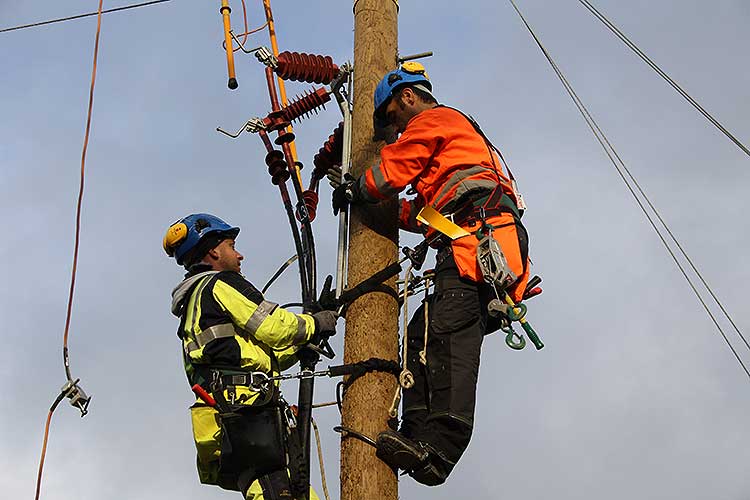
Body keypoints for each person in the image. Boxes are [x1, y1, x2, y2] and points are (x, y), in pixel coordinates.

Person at [331, 62, 532, 486]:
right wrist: (373, 200)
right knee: (421, 336)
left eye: (392, 118)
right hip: (470, 240)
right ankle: (416, 436)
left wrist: (360, 188)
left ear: (407, 97)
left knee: (448, 337)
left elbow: (393, 171)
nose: (396, 128)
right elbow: (427, 217)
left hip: (481, 243)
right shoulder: (453, 156)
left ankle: (441, 449)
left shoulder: (435, 120)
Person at [164, 213, 336, 500]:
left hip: (229, 420)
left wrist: (303, 345)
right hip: (247, 414)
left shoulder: (194, 303)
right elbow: (273, 327)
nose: (240, 255)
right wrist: (315, 323)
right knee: (280, 492)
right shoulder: (221, 284)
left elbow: (254, 357)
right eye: (232, 246)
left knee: (287, 491)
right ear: (214, 251)